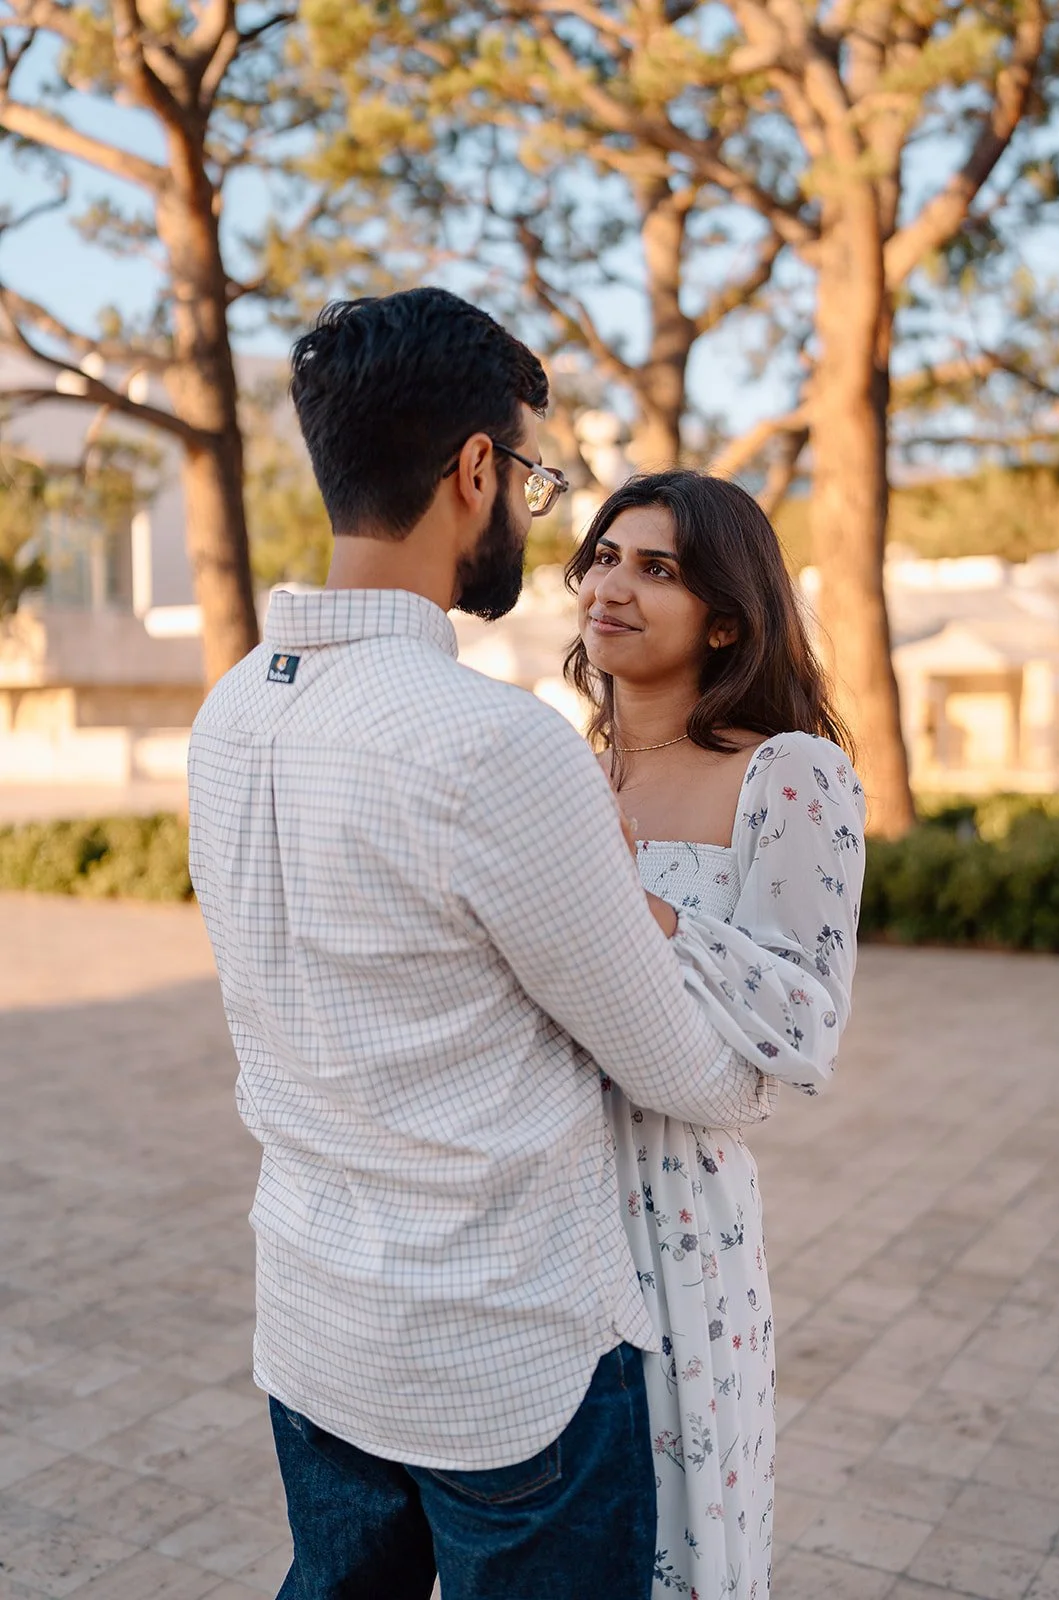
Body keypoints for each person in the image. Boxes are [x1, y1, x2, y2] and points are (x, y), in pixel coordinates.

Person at [187, 289, 787, 1600]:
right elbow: (684, 1073)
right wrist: (762, 1066)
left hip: (313, 1325)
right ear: (473, 470)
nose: (530, 505)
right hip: (503, 1364)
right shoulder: (493, 745)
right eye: (528, 475)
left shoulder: (228, 714)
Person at [564, 469, 866, 1600]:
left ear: (726, 620)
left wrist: (633, 898)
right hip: (528, 1207)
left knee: (669, 1537)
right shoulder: (564, 772)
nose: (611, 586)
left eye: (656, 569)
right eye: (602, 556)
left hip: (675, 1216)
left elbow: (804, 1022)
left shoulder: (786, 773)